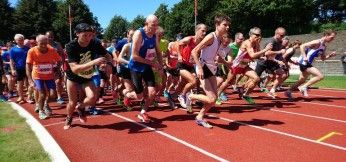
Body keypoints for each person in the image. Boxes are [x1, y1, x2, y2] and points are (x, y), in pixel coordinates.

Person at [64, 23, 112, 129]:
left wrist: (108, 64)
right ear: (77, 34)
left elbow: (108, 55)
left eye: (90, 35)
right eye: (85, 35)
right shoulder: (71, 46)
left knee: (92, 98)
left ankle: (81, 108)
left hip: (87, 76)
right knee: (72, 102)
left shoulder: (95, 43)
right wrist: (94, 62)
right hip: (73, 77)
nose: (88, 38)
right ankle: (69, 118)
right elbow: (75, 69)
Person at [189, 15, 231, 128]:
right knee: (212, 99)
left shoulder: (220, 38)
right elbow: (194, 51)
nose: (227, 27)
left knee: (214, 99)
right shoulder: (210, 37)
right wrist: (200, 68)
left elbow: (217, 54)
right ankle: (191, 96)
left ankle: (199, 117)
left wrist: (227, 64)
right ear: (217, 25)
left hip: (211, 67)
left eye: (228, 25)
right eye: (225, 25)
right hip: (203, 67)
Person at [285, 29, 337, 101]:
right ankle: (304, 87)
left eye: (333, 38)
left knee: (302, 80)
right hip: (304, 63)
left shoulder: (324, 46)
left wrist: (330, 55)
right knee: (320, 76)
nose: (332, 39)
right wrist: (304, 56)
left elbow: (323, 58)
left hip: (307, 63)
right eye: (332, 37)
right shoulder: (317, 42)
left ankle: (288, 91)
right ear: (326, 35)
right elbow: (302, 46)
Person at [26, 35, 61, 119]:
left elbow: (59, 60)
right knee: (42, 94)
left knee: (53, 95)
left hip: (49, 75)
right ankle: (41, 111)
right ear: (37, 43)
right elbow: (27, 66)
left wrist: (57, 70)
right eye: (41, 44)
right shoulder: (32, 51)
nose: (44, 45)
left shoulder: (52, 50)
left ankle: (45, 104)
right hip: (37, 76)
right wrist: (30, 80)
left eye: (45, 43)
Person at [176, 24, 207, 113]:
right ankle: (182, 96)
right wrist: (179, 55)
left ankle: (174, 95)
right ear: (197, 31)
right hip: (182, 64)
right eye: (202, 31)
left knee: (191, 82)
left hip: (190, 65)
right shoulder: (189, 39)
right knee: (193, 81)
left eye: (205, 31)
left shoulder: (202, 42)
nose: (204, 33)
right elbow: (178, 44)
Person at [255, 27, 286, 98]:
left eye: (283, 35)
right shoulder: (271, 41)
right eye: (281, 35)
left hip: (271, 62)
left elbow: (275, 54)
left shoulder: (280, 42)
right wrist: (279, 52)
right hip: (263, 62)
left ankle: (272, 90)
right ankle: (243, 89)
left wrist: (280, 60)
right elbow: (267, 53)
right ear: (276, 34)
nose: (283, 37)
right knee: (255, 79)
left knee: (283, 74)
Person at [46, 31, 65, 105]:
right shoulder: (43, 45)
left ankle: (59, 97)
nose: (50, 38)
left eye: (51, 37)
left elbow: (62, 54)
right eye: (48, 37)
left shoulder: (57, 44)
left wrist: (62, 64)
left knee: (58, 82)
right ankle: (47, 98)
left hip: (56, 66)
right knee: (47, 84)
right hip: (46, 67)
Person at [10, 34, 30, 104]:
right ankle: (21, 97)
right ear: (16, 41)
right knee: (20, 83)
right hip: (19, 68)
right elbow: (11, 61)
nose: (21, 41)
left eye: (22, 39)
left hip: (28, 68)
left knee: (29, 83)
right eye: (19, 40)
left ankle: (30, 97)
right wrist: (12, 69)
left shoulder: (27, 48)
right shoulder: (13, 49)